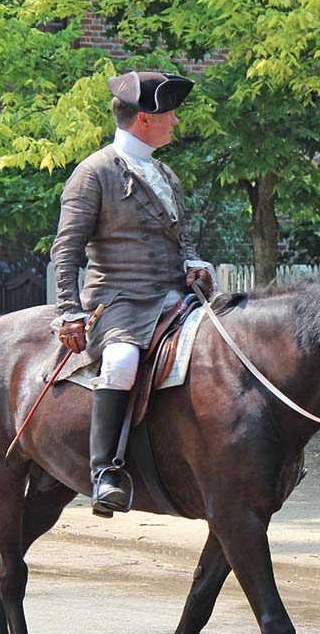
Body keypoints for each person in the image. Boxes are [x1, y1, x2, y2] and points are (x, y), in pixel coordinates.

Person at [49, 69, 214, 516]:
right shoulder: (93, 173)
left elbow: (181, 241)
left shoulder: (165, 173)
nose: (176, 121)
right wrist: (69, 311)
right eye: (170, 114)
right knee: (121, 362)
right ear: (145, 118)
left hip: (171, 296)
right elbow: (66, 249)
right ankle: (105, 471)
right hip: (116, 300)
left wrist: (194, 263)